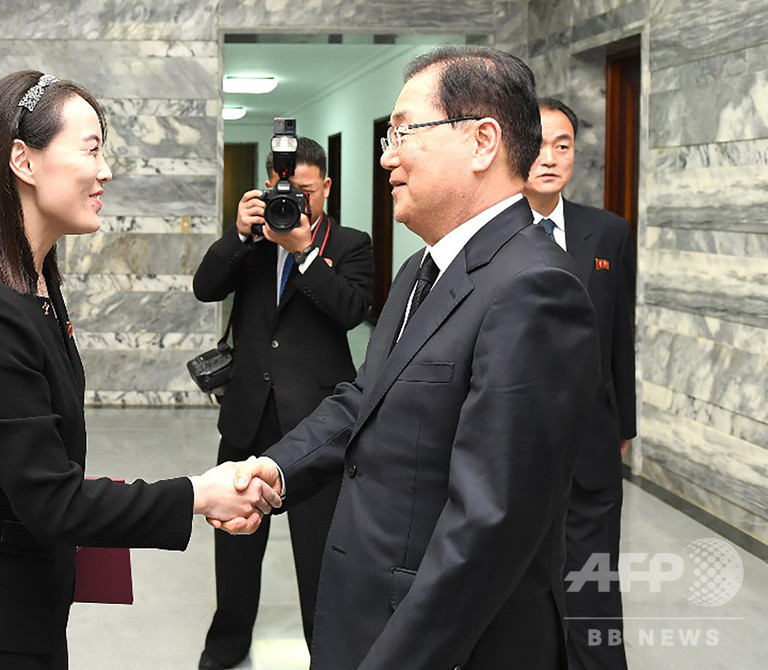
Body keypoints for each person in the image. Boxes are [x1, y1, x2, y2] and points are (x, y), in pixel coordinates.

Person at [225, 46, 602, 669]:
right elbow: (364, 400)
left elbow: (489, 529)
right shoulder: (420, 269)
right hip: (364, 612)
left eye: (404, 131)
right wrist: (276, 468)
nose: (386, 155)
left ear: (483, 141)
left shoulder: (536, 288)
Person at [0, 70, 281, 669]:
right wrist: (201, 494)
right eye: (92, 148)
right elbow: (52, 501)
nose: (105, 172)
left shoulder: (34, 283)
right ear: (24, 161)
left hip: (24, 609)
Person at [193, 138, 373, 669]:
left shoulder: (353, 242)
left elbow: (351, 309)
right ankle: (226, 648)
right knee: (236, 547)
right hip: (249, 413)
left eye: (307, 192)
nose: (295, 201)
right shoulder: (253, 241)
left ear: (327, 188)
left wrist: (303, 253)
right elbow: (205, 287)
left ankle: (328, 654)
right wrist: (239, 233)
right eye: (285, 190)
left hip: (319, 421)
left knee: (320, 552)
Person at [523, 97, 637, 670]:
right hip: (513, 449)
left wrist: (625, 426)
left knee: (593, 594)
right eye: (538, 144)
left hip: (591, 445)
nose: (550, 157)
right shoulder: (485, 233)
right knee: (518, 594)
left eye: (562, 145)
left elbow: (621, 335)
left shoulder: (608, 233)